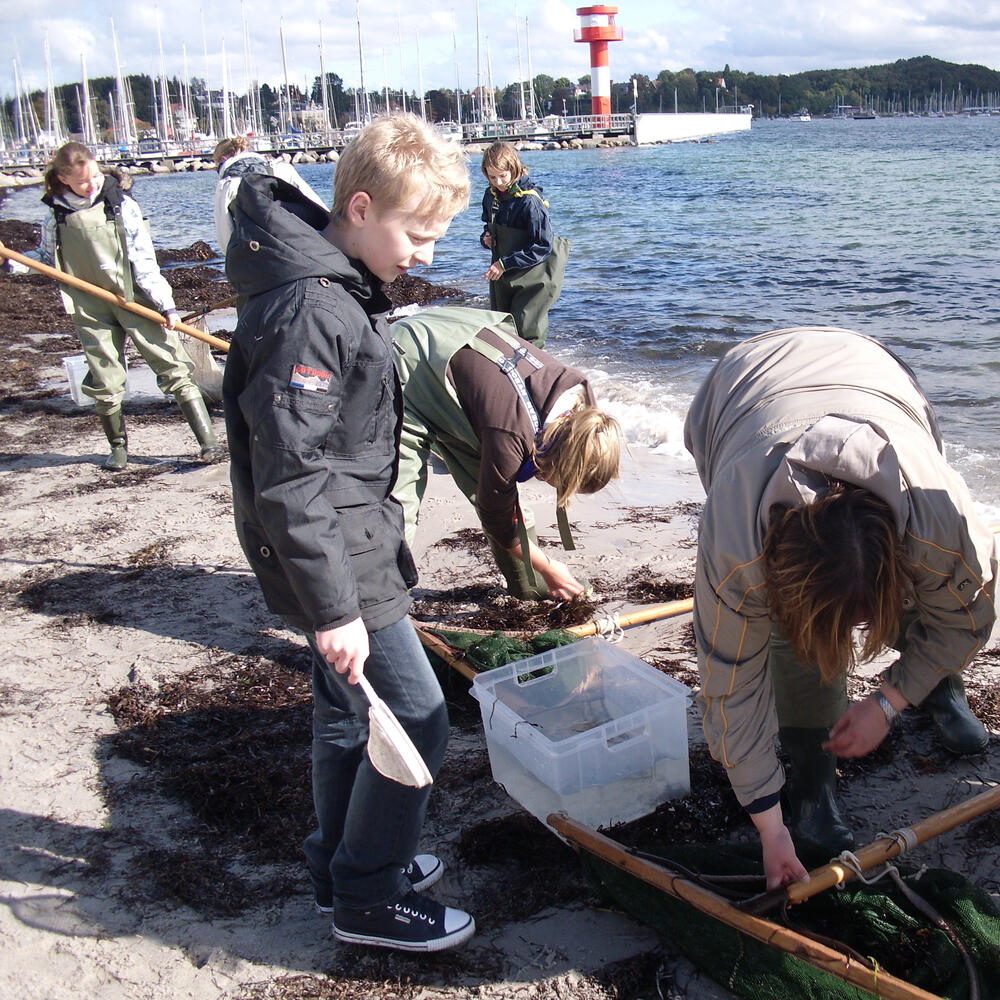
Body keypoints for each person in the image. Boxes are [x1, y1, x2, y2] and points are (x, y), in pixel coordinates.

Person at [222, 114, 476, 953]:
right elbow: (291, 474)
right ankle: (369, 897)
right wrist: (333, 609)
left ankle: (340, 866)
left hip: (344, 543)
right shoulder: (314, 309)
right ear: (362, 208)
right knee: (418, 715)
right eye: (417, 233)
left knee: (344, 719)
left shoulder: (333, 283)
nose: (427, 256)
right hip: (337, 557)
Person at [683, 326, 995, 891]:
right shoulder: (736, 542)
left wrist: (890, 698)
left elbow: (968, 613)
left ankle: (938, 686)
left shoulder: (939, 519)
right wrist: (771, 828)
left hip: (876, 375)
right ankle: (813, 773)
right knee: (788, 635)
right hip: (741, 389)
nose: (853, 633)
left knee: (919, 588)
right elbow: (731, 685)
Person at [390, 305, 621, 600]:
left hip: (463, 361)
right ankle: (384, 601)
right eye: (559, 482)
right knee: (399, 502)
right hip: (409, 361)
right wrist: (550, 566)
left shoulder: (582, 403)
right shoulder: (511, 434)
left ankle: (528, 586)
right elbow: (496, 518)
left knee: (502, 492)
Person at [26, 142, 223, 470]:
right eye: (82, 182)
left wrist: (167, 306)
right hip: (90, 306)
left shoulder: (119, 205)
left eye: (94, 176)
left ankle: (208, 443)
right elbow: (45, 259)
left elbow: (144, 260)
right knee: (105, 378)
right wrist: (11, 262)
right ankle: (118, 448)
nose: (92, 185)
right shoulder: (55, 215)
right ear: (62, 179)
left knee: (172, 365)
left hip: (132, 298)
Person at [479, 142, 569, 348]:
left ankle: (535, 376)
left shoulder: (530, 202)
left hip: (534, 278)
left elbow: (543, 245)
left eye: (503, 175)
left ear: (514, 169)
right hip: (503, 276)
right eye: (492, 177)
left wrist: (504, 263)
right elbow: (487, 225)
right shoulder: (490, 196)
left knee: (529, 335)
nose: (498, 182)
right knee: (502, 329)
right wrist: (486, 238)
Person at [212, 135, 328, 257]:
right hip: (301, 243)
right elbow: (317, 205)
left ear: (224, 159)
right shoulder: (282, 169)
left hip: (264, 254)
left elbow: (225, 238)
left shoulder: (226, 186)